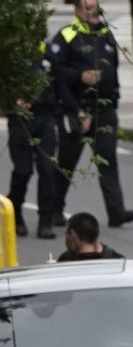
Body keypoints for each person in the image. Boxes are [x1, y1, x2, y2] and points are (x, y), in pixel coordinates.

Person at [50, 0, 133, 230]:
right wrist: (80, 77)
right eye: (88, 8)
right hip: (75, 110)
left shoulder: (105, 34)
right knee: (67, 161)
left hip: (104, 109)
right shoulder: (67, 36)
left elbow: (113, 67)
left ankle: (116, 211)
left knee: (107, 159)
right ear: (77, 11)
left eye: (97, 7)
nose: (95, 13)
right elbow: (55, 72)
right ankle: (54, 208)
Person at [5, 46, 62, 238]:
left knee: (47, 169)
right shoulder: (11, 54)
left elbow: (60, 82)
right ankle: (16, 212)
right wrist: (13, 101)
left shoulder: (48, 54)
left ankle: (45, 220)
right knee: (23, 171)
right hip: (22, 120)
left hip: (45, 118)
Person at [57, 212, 121, 260]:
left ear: (73, 234)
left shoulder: (66, 260)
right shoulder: (117, 260)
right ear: (97, 234)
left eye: (66, 234)